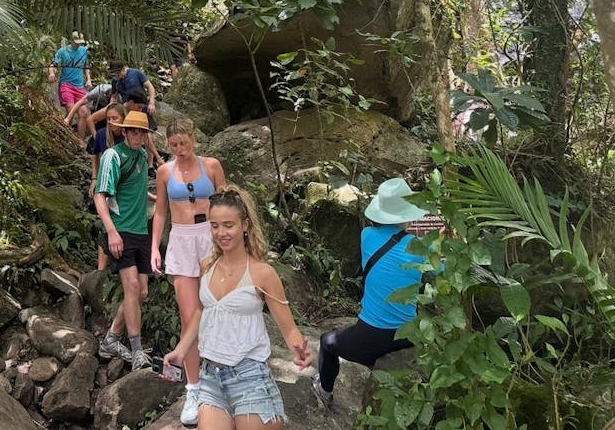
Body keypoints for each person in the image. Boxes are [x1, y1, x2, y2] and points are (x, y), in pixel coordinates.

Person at [164, 186, 311, 429]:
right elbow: (202, 311)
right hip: (211, 376)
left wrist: (299, 349)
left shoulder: (263, 274)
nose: (221, 233)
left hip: (250, 377)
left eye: (228, 225)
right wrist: (181, 351)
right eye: (214, 225)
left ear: (245, 225)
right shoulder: (207, 266)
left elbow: (288, 329)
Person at [311, 177, 431, 410]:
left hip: (372, 336)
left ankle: (324, 391)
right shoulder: (423, 248)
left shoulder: (367, 236)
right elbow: (442, 267)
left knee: (327, 342)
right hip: (409, 334)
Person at [150, 118, 227, 426]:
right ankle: (194, 387)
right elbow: (160, 212)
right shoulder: (165, 172)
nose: (180, 150)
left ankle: (220, 379)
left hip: (211, 237)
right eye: (174, 145)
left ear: (194, 139)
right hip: (181, 239)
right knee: (189, 315)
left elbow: (228, 204)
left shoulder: (211, 166)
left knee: (218, 309)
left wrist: (235, 243)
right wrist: (154, 247)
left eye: (184, 143)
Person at [94, 110, 155, 369]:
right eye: (133, 131)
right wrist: (111, 231)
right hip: (121, 230)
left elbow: (139, 189)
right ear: (124, 131)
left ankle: (111, 339)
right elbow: (100, 195)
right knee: (131, 287)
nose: (137, 136)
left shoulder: (141, 155)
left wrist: (159, 199)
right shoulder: (113, 156)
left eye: (142, 132)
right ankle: (137, 350)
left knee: (141, 293)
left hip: (141, 230)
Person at [88, 103, 128, 271]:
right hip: (106, 183)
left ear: (123, 119)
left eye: (115, 118)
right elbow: (95, 156)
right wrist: (94, 178)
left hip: (123, 184)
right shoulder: (102, 135)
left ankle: (122, 261)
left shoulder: (128, 137)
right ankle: (101, 269)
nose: (111, 122)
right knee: (106, 223)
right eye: (109, 118)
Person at [88, 88, 163, 167]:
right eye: (139, 107)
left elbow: (146, 137)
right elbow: (90, 120)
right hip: (105, 137)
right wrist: (97, 137)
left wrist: (157, 157)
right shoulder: (115, 108)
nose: (140, 110)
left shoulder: (134, 115)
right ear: (131, 103)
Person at [49, 31, 92, 137]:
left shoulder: (83, 51)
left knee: (83, 113)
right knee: (70, 110)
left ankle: (81, 141)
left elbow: (86, 67)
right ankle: (68, 138)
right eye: (76, 42)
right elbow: (52, 64)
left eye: (80, 43)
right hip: (66, 84)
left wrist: (88, 79)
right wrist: (51, 73)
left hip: (79, 86)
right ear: (71, 40)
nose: (78, 44)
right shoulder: (63, 51)